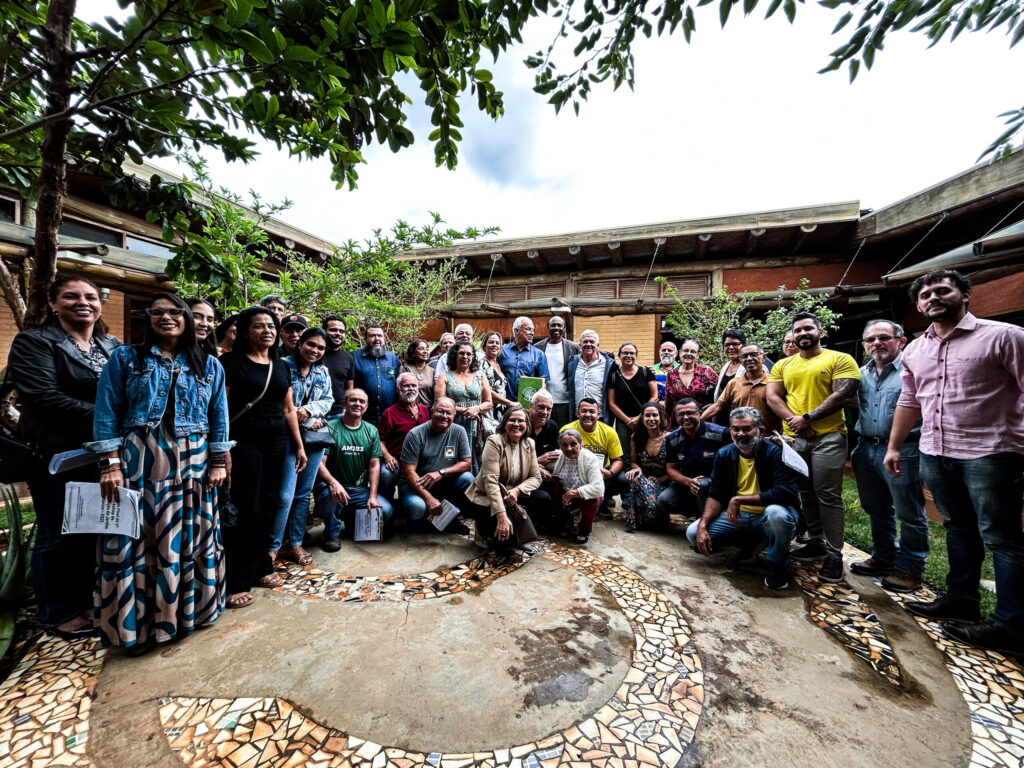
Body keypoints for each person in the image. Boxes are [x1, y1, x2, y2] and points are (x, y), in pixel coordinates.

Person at [885, 270, 1024, 655]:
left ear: (965, 295)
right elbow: (910, 401)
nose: (933, 297)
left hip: (991, 452)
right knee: (958, 528)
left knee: (1002, 537)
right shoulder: (914, 350)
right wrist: (894, 446)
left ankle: (1010, 624)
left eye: (942, 290)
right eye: (925, 294)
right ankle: (962, 600)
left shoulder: (1004, 337)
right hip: (935, 450)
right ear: (918, 305)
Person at [89, 293, 229, 651]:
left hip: (193, 463)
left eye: (174, 312)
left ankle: (185, 617)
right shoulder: (125, 359)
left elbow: (219, 418)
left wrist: (217, 462)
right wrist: (110, 464)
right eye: (158, 312)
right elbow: (106, 411)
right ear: (148, 318)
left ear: (186, 318)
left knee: (187, 538)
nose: (167, 317)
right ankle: (134, 628)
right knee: (134, 541)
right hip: (140, 461)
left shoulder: (210, 365)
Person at [8, 276, 120, 639]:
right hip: (57, 455)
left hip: (100, 454)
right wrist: (109, 418)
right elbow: (43, 397)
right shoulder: (34, 342)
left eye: (90, 296)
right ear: (53, 303)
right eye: (71, 297)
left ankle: (84, 602)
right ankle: (55, 612)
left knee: (89, 531)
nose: (83, 302)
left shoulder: (109, 344)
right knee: (57, 533)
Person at [220, 307, 306, 609]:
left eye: (271, 326)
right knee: (247, 509)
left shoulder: (281, 366)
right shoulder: (229, 363)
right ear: (245, 331)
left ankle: (262, 567)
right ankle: (238, 580)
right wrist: (222, 450)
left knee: (271, 504)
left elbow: (288, 409)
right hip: (244, 444)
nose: (267, 331)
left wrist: (299, 446)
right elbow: (221, 410)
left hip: (277, 442)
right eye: (259, 326)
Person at [767, 311, 860, 583]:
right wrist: (794, 422)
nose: (802, 334)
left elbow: (843, 393)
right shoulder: (784, 364)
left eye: (808, 329)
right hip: (795, 439)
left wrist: (808, 418)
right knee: (806, 492)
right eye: (797, 330)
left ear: (820, 331)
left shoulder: (839, 359)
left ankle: (834, 555)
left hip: (828, 436)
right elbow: (773, 396)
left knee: (827, 495)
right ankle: (816, 542)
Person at [847, 319, 928, 593]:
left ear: (900, 340)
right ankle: (883, 557)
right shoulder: (861, 374)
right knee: (875, 507)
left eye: (884, 337)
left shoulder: (913, 370)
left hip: (905, 449)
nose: (876, 343)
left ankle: (910, 567)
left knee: (909, 511)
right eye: (871, 340)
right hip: (866, 446)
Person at [688, 407, 801, 591]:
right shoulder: (725, 454)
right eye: (735, 429)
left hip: (768, 514)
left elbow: (785, 492)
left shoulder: (776, 453)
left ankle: (778, 566)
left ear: (760, 430)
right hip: (740, 517)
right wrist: (702, 525)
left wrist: (738, 500)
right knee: (693, 533)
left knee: (776, 515)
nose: (740, 434)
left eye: (747, 429)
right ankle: (751, 544)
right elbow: (715, 493)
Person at [277, 326, 334, 567]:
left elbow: (329, 400)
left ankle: (295, 542)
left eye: (321, 347)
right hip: (285, 437)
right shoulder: (281, 366)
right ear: (300, 342)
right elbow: (278, 402)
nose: (315, 350)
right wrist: (297, 413)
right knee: (282, 494)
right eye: (311, 344)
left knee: (302, 494)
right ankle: (273, 544)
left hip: (312, 438)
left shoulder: (322, 371)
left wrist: (308, 411)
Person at [317, 389, 394, 550]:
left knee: (386, 510)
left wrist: (372, 496)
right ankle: (331, 534)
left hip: (358, 490)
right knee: (331, 498)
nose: (357, 404)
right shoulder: (330, 428)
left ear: (366, 406)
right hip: (332, 487)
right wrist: (333, 483)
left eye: (362, 401)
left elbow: (374, 465)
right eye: (353, 400)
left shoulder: (371, 430)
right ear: (344, 403)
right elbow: (319, 463)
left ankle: (350, 520)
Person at [463, 406, 545, 550]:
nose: (516, 424)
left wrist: (517, 491)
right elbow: (491, 482)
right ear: (504, 423)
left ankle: (518, 530)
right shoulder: (494, 442)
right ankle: (482, 530)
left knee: (543, 499)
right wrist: (501, 516)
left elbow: (536, 477)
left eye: (521, 421)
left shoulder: (529, 443)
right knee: (505, 543)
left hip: (512, 495)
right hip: (488, 497)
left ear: (527, 425)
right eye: (512, 420)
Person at [399, 397, 473, 532]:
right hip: (416, 485)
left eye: (449, 413)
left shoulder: (459, 431)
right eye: (440, 411)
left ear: (454, 415)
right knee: (417, 508)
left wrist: (441, 473)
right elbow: (408, 472)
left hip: (443, 483)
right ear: (431, 412)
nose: (444, 416)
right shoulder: (415, 434)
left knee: (468, 478)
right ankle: (422, 521)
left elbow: (466, 463)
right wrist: (429, 498)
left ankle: (448, 519)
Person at [658, 399, 726, 520]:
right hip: (687, 484)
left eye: (690, 413)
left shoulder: (720, 433)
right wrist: (689, 482)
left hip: (714, 485)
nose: (686, 417)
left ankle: (708, 521)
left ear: (700, 413)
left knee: (703, 485)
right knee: (664, 500)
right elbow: (671, 468)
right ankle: (696, 515)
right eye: (680, 414)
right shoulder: (672, 439)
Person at [561, 398, 629, 517]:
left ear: (598, 414)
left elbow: (618, 460)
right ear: (577, 413)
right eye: (584, 411)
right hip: (574, 473)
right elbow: (561, 457)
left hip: (601, 474)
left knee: (622, 479)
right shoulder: (567, 430)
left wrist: (610, 472)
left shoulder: (609, 432)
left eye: (592, 411)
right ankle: (575, 502)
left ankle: (602, 500)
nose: (588, 415)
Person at [436, 340, 494, 472]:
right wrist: (464, 411)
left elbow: (489, 402)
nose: (465, 357)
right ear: (454, 355)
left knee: (478, 457)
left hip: (476, 427)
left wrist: (477, 409)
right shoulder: (444, 377)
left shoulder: (480, 375)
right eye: (461, 353)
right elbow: (439, 404)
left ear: (473, 356)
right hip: (452, 425)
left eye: (469, 354)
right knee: (451, 457)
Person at [701, 343, 780, 433]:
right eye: (744, 356)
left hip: (770, 439)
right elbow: (718, 406)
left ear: (764, 357)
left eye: (754, 354)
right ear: (741, 360)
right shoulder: (734, 383)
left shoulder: (774, 382)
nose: (749, 358)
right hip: (742, 436)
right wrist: (699, 421)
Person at [606, 342, 657, 466]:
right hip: (622, 421)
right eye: (625, 353)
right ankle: (626, 476)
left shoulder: (645, 372)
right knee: (624, 451)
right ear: (619, 355)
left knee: (644, 447)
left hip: (645, 418)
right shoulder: (613, 375)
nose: (628, 355)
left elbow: (654, 396)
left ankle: (643, 473)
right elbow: (611, 403)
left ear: (636, 355)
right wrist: (628, 421)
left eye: (632, 353)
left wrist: (640, 417)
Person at [624, 402, 672, 531]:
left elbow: (678, 467)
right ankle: (634, 521)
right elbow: (633, 461)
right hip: (645, 479)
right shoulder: (636, 437)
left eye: (655, 415)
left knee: (654, 512)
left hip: (665, 480)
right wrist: (637, 469)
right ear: (642, 418)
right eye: (647, 416)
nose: (651, 419)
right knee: (635, 479)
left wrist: (663, 479)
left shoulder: (670, 438)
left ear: (660, 418)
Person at [551, 429, 605, 544]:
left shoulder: (589, 458)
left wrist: (574, 493)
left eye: (573, 444)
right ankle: (565, 521)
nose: (569, 448)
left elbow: (598, 488)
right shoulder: (558, 455)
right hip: (565, 494)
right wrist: (540, 469)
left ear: (581, 444)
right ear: (560, 446)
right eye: (564, 445)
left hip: (584, 496)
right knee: (552, 486)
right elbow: (536, 465)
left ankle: (584, 528)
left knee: (591, 501)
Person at [379, 372, 431, 488]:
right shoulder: (389, 413)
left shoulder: (424, 410)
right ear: (398, 389)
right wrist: (387, 457)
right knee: (386, 474)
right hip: (397, 461)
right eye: (406, 385)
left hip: (420, 462)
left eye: (414, 386)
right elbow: (380, 440)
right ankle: (386, 503)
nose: (411, 389)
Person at [534, 316, 581, 425]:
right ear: (548, 327)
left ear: (564, 329)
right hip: (543, 400)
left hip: (564, 401)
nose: (556, 328)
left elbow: (588, 354)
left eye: (559, 325)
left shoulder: (573, 347)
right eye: (553, 325)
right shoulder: (537, 347)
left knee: (563, 433)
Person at [351, 324, 400, 424]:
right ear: (365, 339)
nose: (377, 339)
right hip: (362, 415)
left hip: (388, 416)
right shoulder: (353, 357)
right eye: (372, 336)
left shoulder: (393, 359)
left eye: (380, 336)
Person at [498, 316, 549, 404]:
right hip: (503, 402)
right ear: (516, 331)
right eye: (528, 329)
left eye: (533, 330)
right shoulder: (502, 351)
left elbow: (543, 382)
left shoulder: (539, 355)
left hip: (526, 404)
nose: (532, 333)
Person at [568, 329, 615, 422]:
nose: (588, 344)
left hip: (600, 416)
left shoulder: (608, 364)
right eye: (585, 341)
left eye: (592, 342)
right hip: (578, 415)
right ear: (580, 345)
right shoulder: (572, 363)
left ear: (597, 345)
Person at [664, 339, 718, 414]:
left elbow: (721, 392)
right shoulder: (671, 374)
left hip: (701, 418)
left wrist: (713, 405)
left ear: (697, 355)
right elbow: (668, 402)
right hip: (678, 419)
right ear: (680, 353)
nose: (688, 354)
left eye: (693, 351)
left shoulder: (706, 371)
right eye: (686, 350)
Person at [321, 315, 354, 419]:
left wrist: (345, 409)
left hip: (338, 414)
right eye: (333, 330)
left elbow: (349, 387)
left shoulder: (348, 358)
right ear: (324, 331)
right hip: (315, 413)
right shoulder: (315, 353)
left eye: (341, 331)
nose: (338, 334)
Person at [480, 331, 516, 423]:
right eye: (491, 342)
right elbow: (485, 391)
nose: (494, 345)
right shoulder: (482, 364)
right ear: (484, 346)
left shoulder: (497, 364)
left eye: (497, 343)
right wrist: (509, 403)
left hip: (500, 410)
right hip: (489, 412)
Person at [710, 329, 747, 411]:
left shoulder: (749, 366)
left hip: (741, 414)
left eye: (735, 344)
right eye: (727, 345)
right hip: (722, 415)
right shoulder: (725, 366)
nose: (731, 348)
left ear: (743, 346)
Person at [528, 390, 561, 472]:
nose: (545, 412)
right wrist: (536, 462)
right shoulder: (520, 424)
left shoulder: (553, 426)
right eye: (541, 407)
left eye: (549, 409)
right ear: (531, 406)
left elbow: (553, 456)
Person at [398, 339, 436, 409]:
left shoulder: (433, 371)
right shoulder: (404, 369)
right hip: (409, 409)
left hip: (428, 411)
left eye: (427, 349)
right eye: (421, 349)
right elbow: (399, 392)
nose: (425, 351)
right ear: (413, 352)